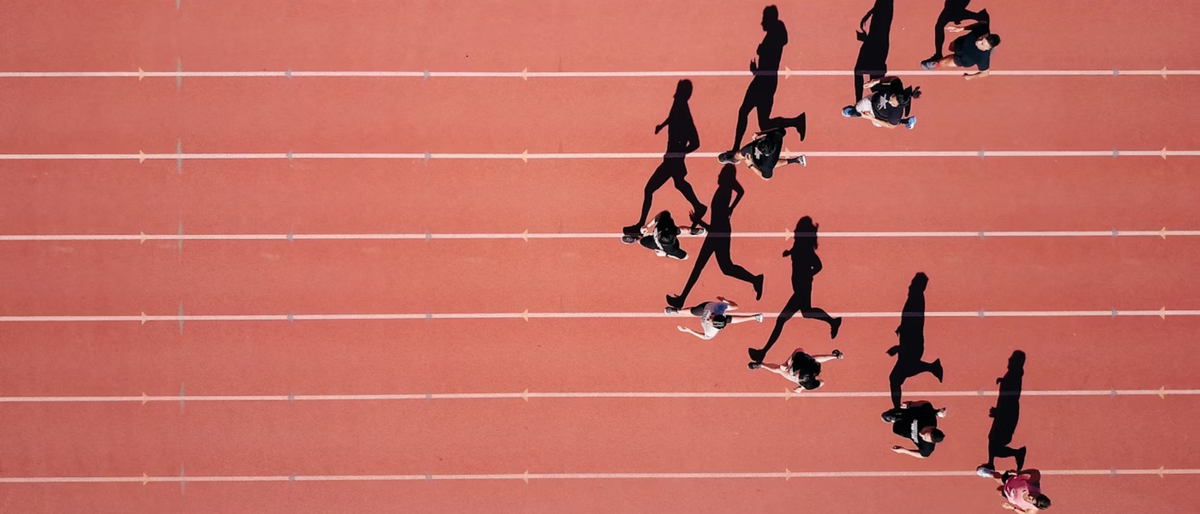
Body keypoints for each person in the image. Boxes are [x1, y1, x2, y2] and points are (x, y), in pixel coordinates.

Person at [666, 165, 764, 310]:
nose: (718, 177)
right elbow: (741, 191)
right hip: (719, 232)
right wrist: (732, 208)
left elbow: (715, 228)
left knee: (709, 267)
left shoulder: (723, 192)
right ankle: (755, 279)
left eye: (720, 175)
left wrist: (698, 221)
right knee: (724, 268)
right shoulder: (726, 189)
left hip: (719, 233)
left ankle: (755, 279)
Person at [718, 6, 807, 165]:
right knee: (760, 120)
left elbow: (772, 52)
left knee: (746, 112)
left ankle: (735, 151)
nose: (762, 23)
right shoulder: (776, 33)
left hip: (764, 81)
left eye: (764, 18)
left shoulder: (775, 34)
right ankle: (795, 121)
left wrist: (758, 66)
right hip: (766, 79)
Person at [748, 217, 842, 365]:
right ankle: (833, 322)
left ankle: (763, 353)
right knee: (805, 313)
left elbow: (818, 266)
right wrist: (789, 253)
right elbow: (798, 253)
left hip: (802, 288)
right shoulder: (798, 246)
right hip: (800, 287)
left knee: (783, 319)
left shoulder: (806, 250)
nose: (795, 232)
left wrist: (807, 275)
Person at [624, 80, 707, 239]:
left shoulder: (684, 112)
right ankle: (698, 206)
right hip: (671, 158)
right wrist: (663, 125)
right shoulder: (678, 106)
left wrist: (680, 153)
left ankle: (641, 225)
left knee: (649, 189)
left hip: (672, 159)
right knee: (678, 183)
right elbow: (672, 117)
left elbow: (696, 143)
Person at [887, 272, 944, 409]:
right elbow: (911, 322)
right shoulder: (915, 298)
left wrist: (899, 348)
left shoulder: (916, 299)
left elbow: (914, 325)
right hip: (911, 344)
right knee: (900, 375)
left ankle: (932, 367)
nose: (909, 285)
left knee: (895, 378)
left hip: (912, 346)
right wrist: (902, 327)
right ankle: (932, 367)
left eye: (913, 283)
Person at [921, 20, 1000, 80]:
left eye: (982, 44)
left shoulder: (983, 58)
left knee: (942, 62)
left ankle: (935, 64)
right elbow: (980, 24)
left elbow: (985, 73)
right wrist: (962, 28)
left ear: (988, 48)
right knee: (951, 47)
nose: (978, 41)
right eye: (981, 38)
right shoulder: (983, 28)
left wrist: (970, 77)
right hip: (962, 43)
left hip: (963, 59)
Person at [720, 126, 806, 180]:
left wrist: (750, 165)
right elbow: (780, 129)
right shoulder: (776, 136)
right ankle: (734, 159)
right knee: (740, 153)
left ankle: (796, 160)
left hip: (761, 161)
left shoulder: (767, 165)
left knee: (769, 166)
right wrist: (761, 133)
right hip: (767, 157)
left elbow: (765, 177)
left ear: (763, 153)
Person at [749, 347, 843, 392]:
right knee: (814, 358)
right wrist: (786, 364)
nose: (794, 375)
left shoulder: (809, 385)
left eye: (796, 376)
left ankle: (761, 365)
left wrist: (802, 387)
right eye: (796, 373)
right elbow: (799, 350)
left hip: (808, 372)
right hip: (805, 362)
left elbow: (822, 383)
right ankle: (835, 356)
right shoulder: (800, 360)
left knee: (778, 370)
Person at [925, 0, 990, 64]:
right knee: (941, 23)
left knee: (940, 25)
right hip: (954, 8)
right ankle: (980, 17)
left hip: (953, 9)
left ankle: (938, 54)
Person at [667, 296, 763, 340]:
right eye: (712, 317)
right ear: (718, 315)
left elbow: (704, 337)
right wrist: (726, 301)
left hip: (714, 316)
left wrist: (689, 331)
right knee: (694, 311)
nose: (708, 318)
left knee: (730, 320)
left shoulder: (711, 331)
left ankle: (754, 317)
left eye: (710, 320)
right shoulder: (719, 307)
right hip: (706, 307)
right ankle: (677, 311)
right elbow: (735, 306)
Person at [842, 77, 919, 129]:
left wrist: (871, 118)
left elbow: (891, 126)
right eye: (892, 97)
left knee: (879, 124)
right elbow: (893, 79)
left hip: (877, 116)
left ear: (898, 105)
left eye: (892, 103)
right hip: (871, 100)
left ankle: (905, 121)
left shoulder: (896, 113)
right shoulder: (897, 87)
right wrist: (874, 82)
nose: (889, 101)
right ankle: (855, 111)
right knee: (858, 108)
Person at [623, 210, 699, 260]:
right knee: (681, 230)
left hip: (656, 245)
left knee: (641, 241)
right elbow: (664, 213)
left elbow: (685, 257)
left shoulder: (671, 250)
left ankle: (636, 239)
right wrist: (647, 226)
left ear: (659, 234)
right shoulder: (667, 227)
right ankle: (692, 231)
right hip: (671, 231)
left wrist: (665, 255)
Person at [883, 400, 947, 458]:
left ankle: (936, 412)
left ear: (930, 442)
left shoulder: (928, 447)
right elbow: (926, 404)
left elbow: (923, 455)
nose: (921, 434)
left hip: (907, 431)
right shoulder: (928, 417)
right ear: (931, 427)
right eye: (925, 432)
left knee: (896, 429)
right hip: (910, 415)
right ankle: (936, 412)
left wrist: (904, 451)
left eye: (924, 438)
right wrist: (910, 404)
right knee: (886, 416)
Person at [977, 469, 1052, 513]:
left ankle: (1003, 486)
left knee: (999, 490)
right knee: (998, 478)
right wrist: (1019, 473)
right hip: (1012, 480)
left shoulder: (1032, 509)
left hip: (1010, 494)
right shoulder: (1033, 485)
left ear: (1034, 505)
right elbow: (1035, 472)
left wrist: (1012, 508)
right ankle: (990, 473)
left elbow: (1025, 513)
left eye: (1032, 500)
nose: (1031, 496)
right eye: (1035, 495)